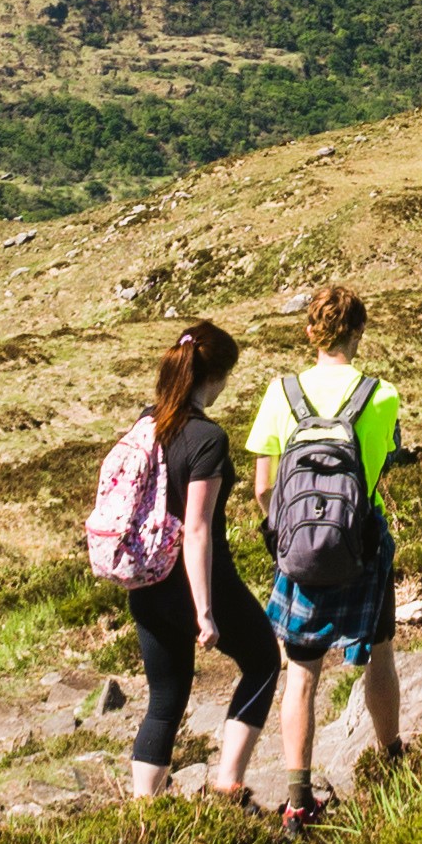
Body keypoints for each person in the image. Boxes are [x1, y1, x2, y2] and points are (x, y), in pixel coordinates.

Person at [248, 280, 408, 823]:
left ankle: (298, 801)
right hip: (361, 544)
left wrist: (288, 537)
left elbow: (263, 488)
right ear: (358, 331)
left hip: (298, 551)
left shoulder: (281, 392)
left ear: (311, 331)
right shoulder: (381, 395)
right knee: (380, 652)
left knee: (301, 673)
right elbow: (376, 471)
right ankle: (391, 761)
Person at [109, 320, 280, 807]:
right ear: (218, 377)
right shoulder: (208, 439)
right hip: (197, 582)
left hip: (145, 582)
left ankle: (145, 815)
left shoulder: (147, 422)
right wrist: (204, 610)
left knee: (165, 698)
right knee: (263, 659)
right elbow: (198, 528)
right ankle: (228, 784)